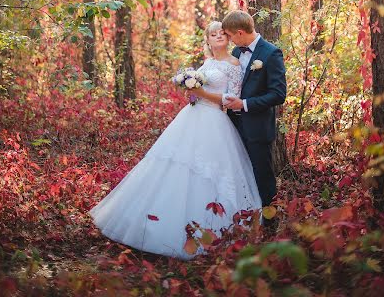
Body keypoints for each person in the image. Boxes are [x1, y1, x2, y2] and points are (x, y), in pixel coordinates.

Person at [89, 21, 261, 259]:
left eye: (222, 33)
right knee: (173, 164)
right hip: (191, 117)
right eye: (213, 34)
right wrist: (188, 86)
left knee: (207, 173)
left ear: (228, 37)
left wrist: (199, 92)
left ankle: (213, 231)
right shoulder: (208, 62)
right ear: (208, 41)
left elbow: (231, 98)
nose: (218, 36)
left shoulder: (234, 64)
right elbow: (199, 86)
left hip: (215, 123)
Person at [218, 10, 287, 209]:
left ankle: (270, 223)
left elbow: (278, 94)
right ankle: (246, 218)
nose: (229, 41)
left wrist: (245, 104)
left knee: (262, 176)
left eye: (230, 36)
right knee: (239, 174)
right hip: (233, 126)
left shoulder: (271, 53)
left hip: (257, 128)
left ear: (240, 33)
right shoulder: (236, 53)